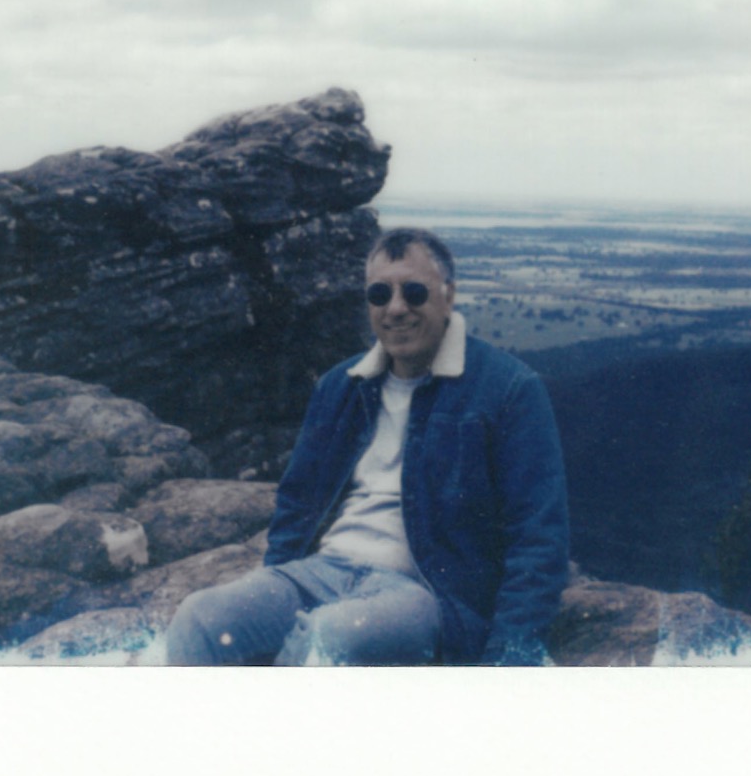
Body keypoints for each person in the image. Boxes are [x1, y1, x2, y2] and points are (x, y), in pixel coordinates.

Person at [165, 226, 569, 666]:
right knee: (199, 617)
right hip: (322, 573)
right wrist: (276, 582)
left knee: (330, 636)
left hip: (423, 595)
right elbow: (296, 504)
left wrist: (509, 658)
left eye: (414, 292)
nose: (395, 308)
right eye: (380, 294)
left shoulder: (508, 390)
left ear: (448, 295)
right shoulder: (340, 386)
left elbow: (538, 537)